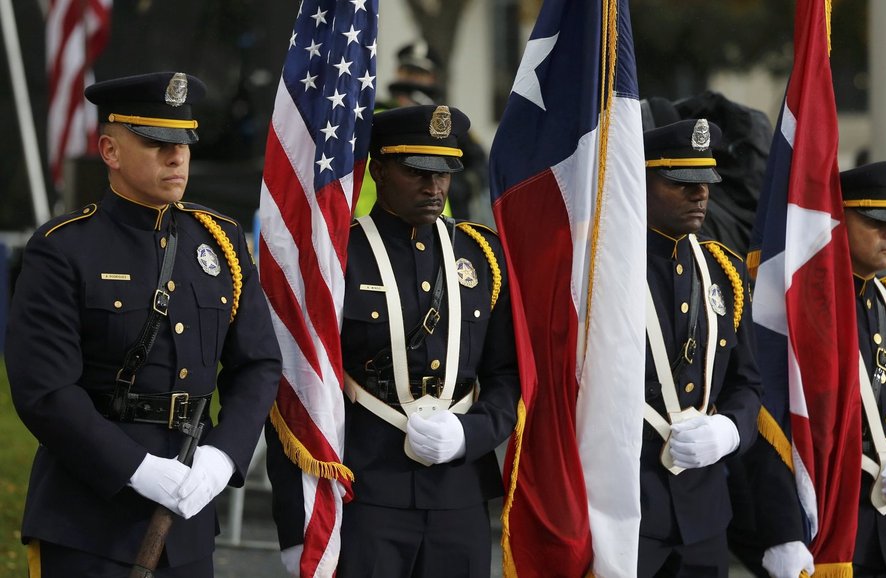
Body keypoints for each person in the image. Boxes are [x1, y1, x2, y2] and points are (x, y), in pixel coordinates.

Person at [4, 72, 283, 577]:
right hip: (88, 517)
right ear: (110, 151)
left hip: (189, 515)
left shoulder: (220, 242)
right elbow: (44, 389)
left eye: (184, 143)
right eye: (157, 144)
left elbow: (259, 363)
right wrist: (134, 467)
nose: (176, 157)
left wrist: (223, 458)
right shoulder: (64, 249)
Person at [265, 104, 521, 577]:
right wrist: (295, 525)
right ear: (378, 170)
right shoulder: (339, 258)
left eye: (445, 171)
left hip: (458, 494)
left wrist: (471, 433)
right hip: (367, 491)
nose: (434, 186)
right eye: (416, 171)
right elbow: (294, 386)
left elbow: (506, 375)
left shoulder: (481, 256)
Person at [752, 160, 886, 578]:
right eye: (875, 220)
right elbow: (772, 425)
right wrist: (782, 532)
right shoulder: (800, 315)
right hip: (829, 523)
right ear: (835, 222)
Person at [639, 118, 763, 575]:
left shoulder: (724, 271)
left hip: (704, 512)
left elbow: (747, 383)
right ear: (641, 179)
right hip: (627, 505)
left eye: (706, 182)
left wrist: (729, 431)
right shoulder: (603, 270)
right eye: (681, 182)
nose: (700, 194)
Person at [355, 40, 488, 221]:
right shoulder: (375, 118)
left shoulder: (445, 122)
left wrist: (455, 187)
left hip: (437, 224)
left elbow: (479, 165)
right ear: (398, 73)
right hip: (372, 221)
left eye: (419, 73)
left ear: (432, 77)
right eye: (408, 72)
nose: (412, 79)